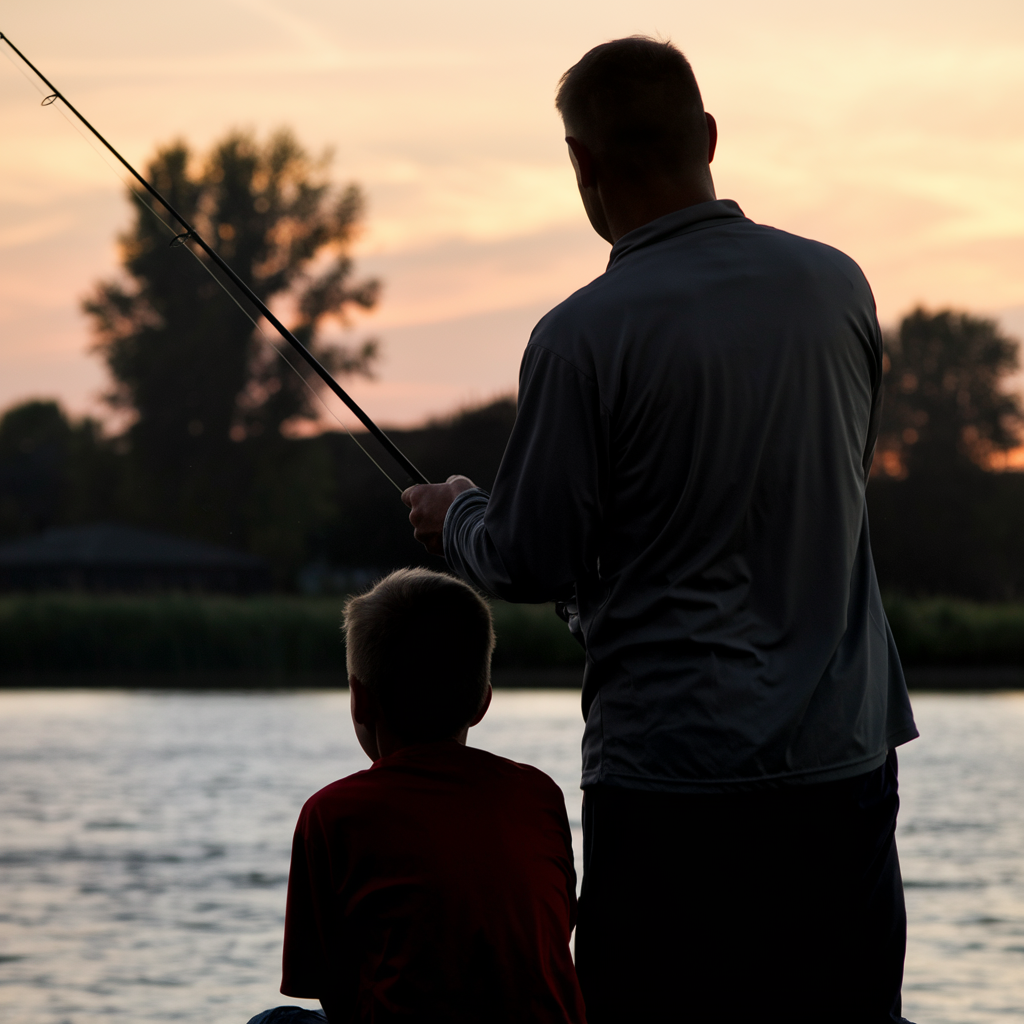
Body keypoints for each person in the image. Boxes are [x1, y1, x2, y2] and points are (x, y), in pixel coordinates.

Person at [402, 36, 919, 1024]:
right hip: (843, 759)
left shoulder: (580, 335)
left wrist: (454, 513)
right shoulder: (837, 287)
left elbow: (529, 555)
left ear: (582, 165)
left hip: (669, 780)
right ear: (708, 136)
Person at [260, 568, 586, 1024]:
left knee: (276, 1022)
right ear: (483, 702)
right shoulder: (539, 793)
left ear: (359, 699)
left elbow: (332, 991)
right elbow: (552, 932)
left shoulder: (332, 814)